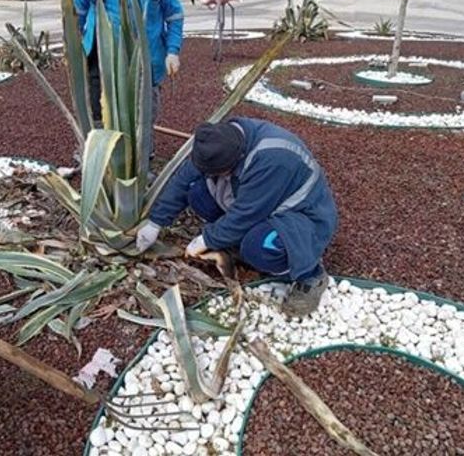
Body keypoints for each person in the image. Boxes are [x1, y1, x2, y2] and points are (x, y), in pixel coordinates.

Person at [136, 118, 338, 316]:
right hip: (258, 201)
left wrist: (207, 239)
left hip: (300, 216)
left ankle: (310, 274)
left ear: (237, 158)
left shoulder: (273, 159)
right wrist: (156, 222)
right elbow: (183, 179)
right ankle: (238, 244)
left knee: (257, 247)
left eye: (221, 171)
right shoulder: (217, 142)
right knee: (196, 191)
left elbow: (246, 214)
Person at [74, 0, 184, 129]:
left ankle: (144, 153)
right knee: (100, 113)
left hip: (146, 59)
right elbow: (78, 8)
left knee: (143, 117)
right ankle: (98, 150)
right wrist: (73, 46)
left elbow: (174, 14)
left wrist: (173, 51)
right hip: (102, 59)